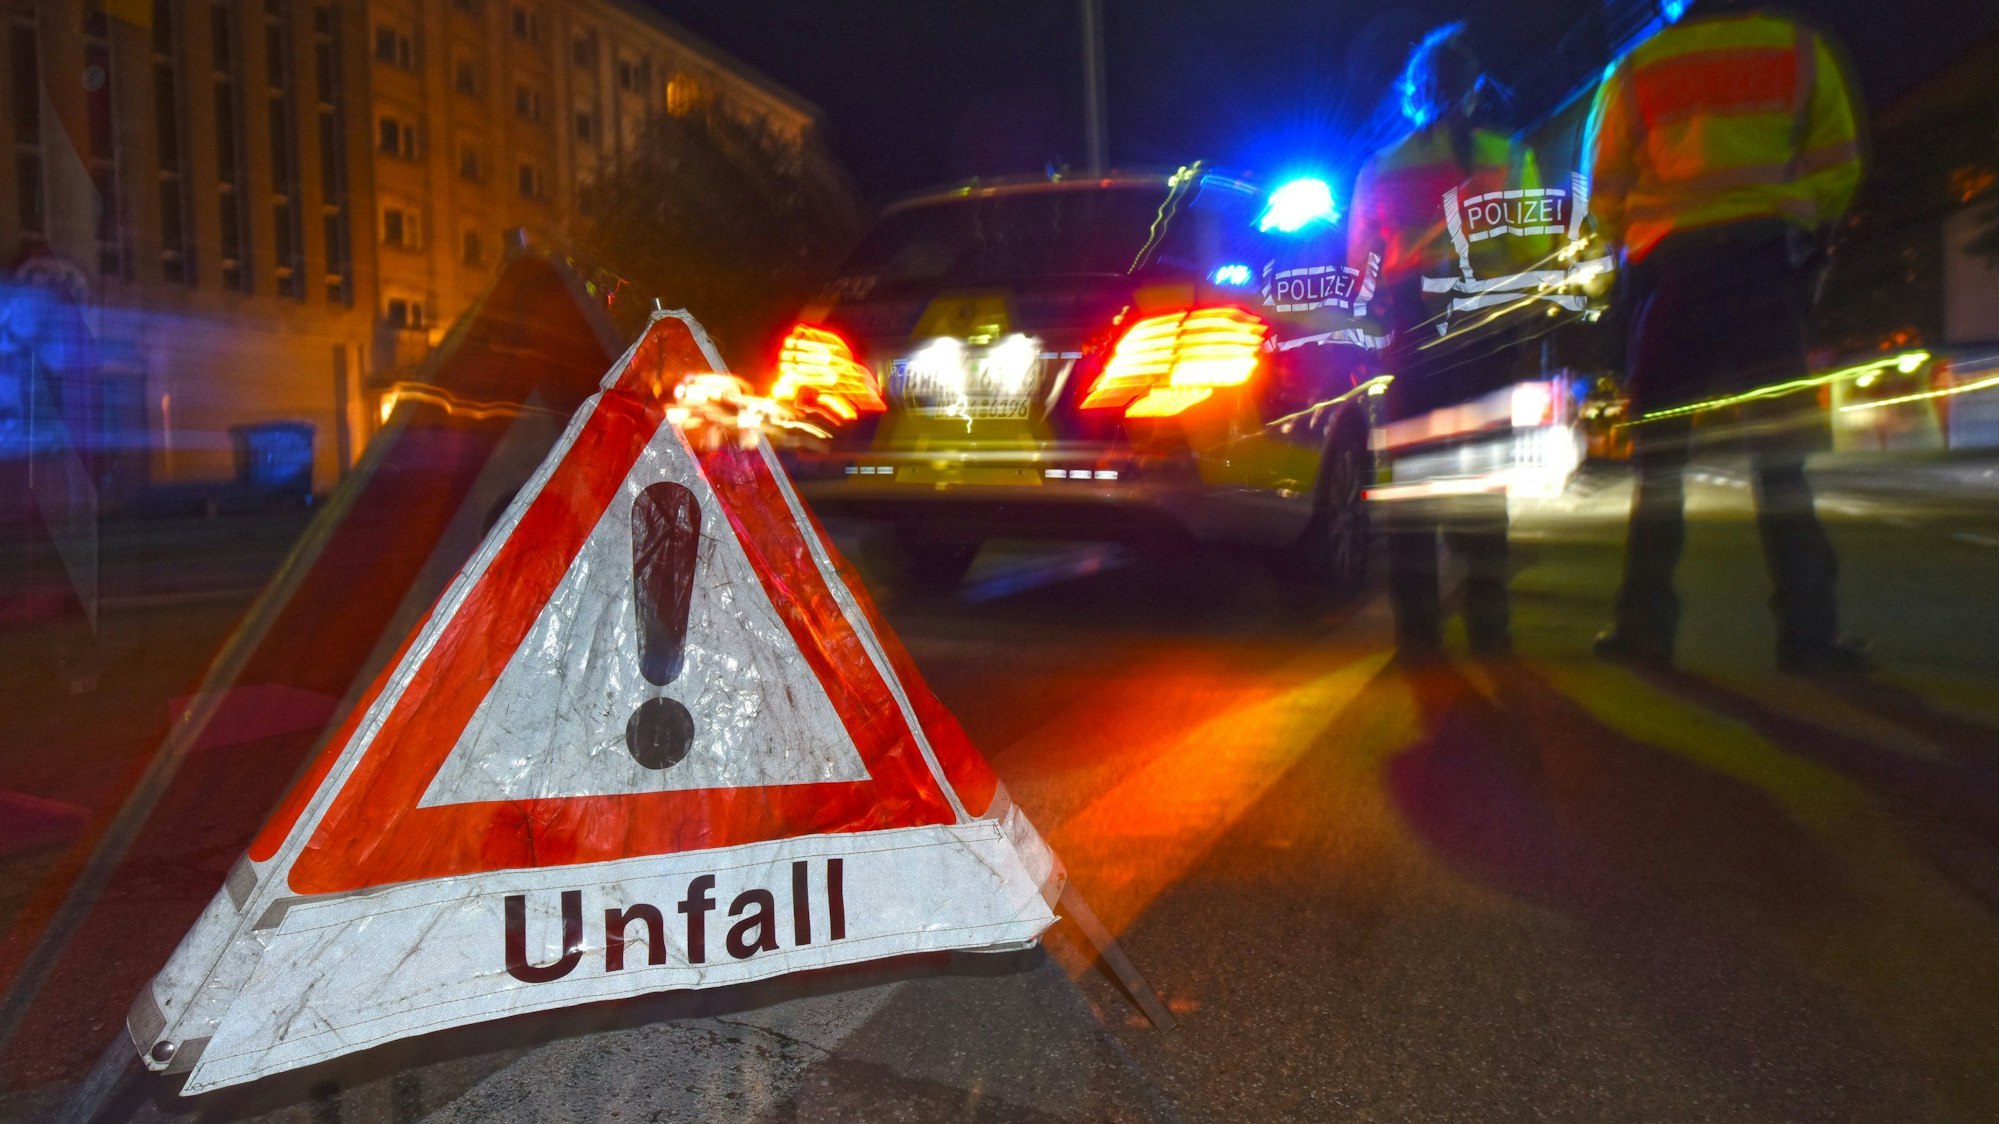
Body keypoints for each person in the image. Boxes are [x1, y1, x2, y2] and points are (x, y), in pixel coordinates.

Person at [1584, 0, 1867, 673]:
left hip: (1672, 283)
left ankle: (1643, 630)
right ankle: (1806, 638)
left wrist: (1636, 240)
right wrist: (1796, 221)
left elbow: (1604, 192)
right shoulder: (1796, 50)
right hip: (1763, 276)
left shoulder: (1637, 67)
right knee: (1780, 466)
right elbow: (1838, 166)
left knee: (1658, 470)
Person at [1348, 23, 1552, 660]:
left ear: (1413, 93)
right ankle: (1491, 631)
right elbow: (1535, 253)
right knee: (1484, 488)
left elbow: (1363, 270)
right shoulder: (1508, 155)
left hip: (1414, 334)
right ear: (1473, 92)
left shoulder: (1380, 169)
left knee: (1413, 488)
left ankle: (1418, 638)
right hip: (1487, 335)